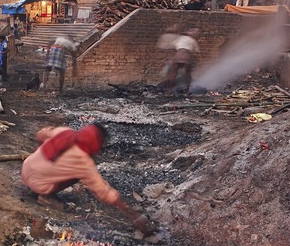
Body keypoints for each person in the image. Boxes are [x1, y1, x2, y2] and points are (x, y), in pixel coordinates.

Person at [21, 123, 157, 235]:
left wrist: (44, 154)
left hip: (26, 168)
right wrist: (132, 214)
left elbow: (41, 134)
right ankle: (45, 197)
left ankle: (38, 184)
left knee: (62, 171)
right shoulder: (82, 162)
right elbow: (103, 192)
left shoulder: (65, 132)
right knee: (75, 176)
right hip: (38, 183)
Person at [166, 28, 200, 97]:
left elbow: (172, 46)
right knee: (187, 74)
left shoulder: (180, 38)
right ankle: (186, 92)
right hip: (186, 57)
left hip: (177, 57)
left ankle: (169, 91)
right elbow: (196, 52)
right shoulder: (193, 40)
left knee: (173, 73)